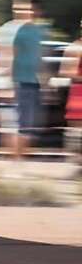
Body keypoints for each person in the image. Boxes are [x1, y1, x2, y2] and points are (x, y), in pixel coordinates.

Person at [0, 0, 46, 166]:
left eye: (32, 10)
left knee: (28, 125)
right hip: (17, 83)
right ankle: (14, 163)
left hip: (33, 83)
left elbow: (38, 57)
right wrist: (6, 84)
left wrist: (45, 81)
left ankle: (19, 161)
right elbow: (5, 57)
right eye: (23, 10)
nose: (28, 13)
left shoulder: (37, 31)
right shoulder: (11, 30)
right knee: (15, 124)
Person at [61, 19, 82, 166]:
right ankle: (76, 164)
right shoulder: (75, 47)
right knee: (76, 132)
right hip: (78, 93)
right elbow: (65, 72)